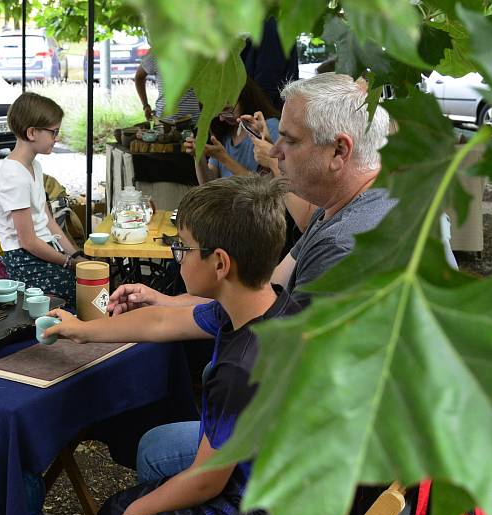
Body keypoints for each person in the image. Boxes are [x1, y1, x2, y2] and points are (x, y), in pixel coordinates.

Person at [109, 72, 396, 481]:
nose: (276, 150)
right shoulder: (354, 206)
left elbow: (268, 349)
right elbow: (266, 292)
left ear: (339, 151)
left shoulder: (346, 248)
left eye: (291, 141)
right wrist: (170, 302)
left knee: (155, 448)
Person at [46, 175, 301, 515]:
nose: (177, 257)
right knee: (112, 512)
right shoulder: (264, 307)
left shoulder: (241, 369)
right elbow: (163, 320)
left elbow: (204, 482)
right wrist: (84, 330)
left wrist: (137, 514)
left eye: (183, 247)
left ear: (220, 263)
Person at [0, 92, 83, 305]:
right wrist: (69, 263)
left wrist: (77, 257)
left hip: (43, 251)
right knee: (82, 293)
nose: (57, 138)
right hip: (25, 260)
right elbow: (27, 241)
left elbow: (48, 221)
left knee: (91, 283)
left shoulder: (34, 166)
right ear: (32, 132)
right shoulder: (14, 176)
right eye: (54, 132)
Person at [183, 78, 280, 182]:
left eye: (226, 110)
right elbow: (208, 184)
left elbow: (265, 188)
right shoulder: (224, 132)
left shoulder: (269, 128)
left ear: (244, 97)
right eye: (217, 113)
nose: (222, 118)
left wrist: (223, 158)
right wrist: (199, 156)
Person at [135, 50, 201, 123]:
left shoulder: (198, 52)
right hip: (165, 122)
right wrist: (145, 105)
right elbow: (139, 77)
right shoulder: (156, 54)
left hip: (195, 121)